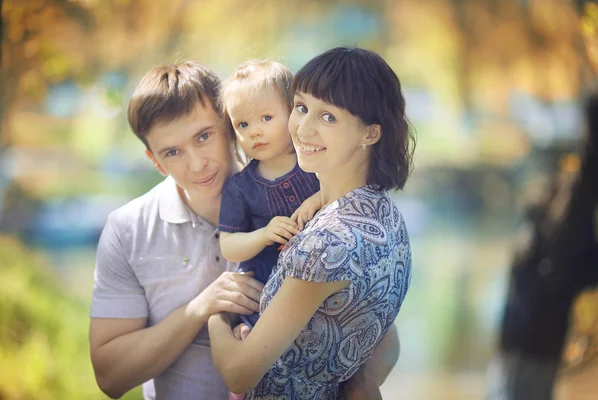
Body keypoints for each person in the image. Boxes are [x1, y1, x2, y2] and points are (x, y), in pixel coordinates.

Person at [89, 59, 400, 400]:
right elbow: (109, 377)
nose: (197, 163)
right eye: (173, 152)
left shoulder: (310, 192)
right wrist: (202, 309)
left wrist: (357, 382)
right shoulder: (127, 230)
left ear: (228, 125)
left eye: (204, 136)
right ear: (155, 160)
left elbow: (380, 328)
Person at [208, 47, 415, 399]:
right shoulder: (385, 212)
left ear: (370, 133)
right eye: (301, 107)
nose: (302, 128)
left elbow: (238, 374)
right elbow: (387, 338)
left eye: (328, 117)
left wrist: (216, 314)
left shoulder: (325, 246)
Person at [218, 60, 321, 329]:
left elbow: (348, 193)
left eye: (266, 118)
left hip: (320, 286)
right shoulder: (240, 187)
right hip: (266, 290)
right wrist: (262, 235)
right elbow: (228, 246)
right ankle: (246, 328)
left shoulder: (316, 164)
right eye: (242, 124)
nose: (254, 131)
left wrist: (320, 199)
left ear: (293, 113)